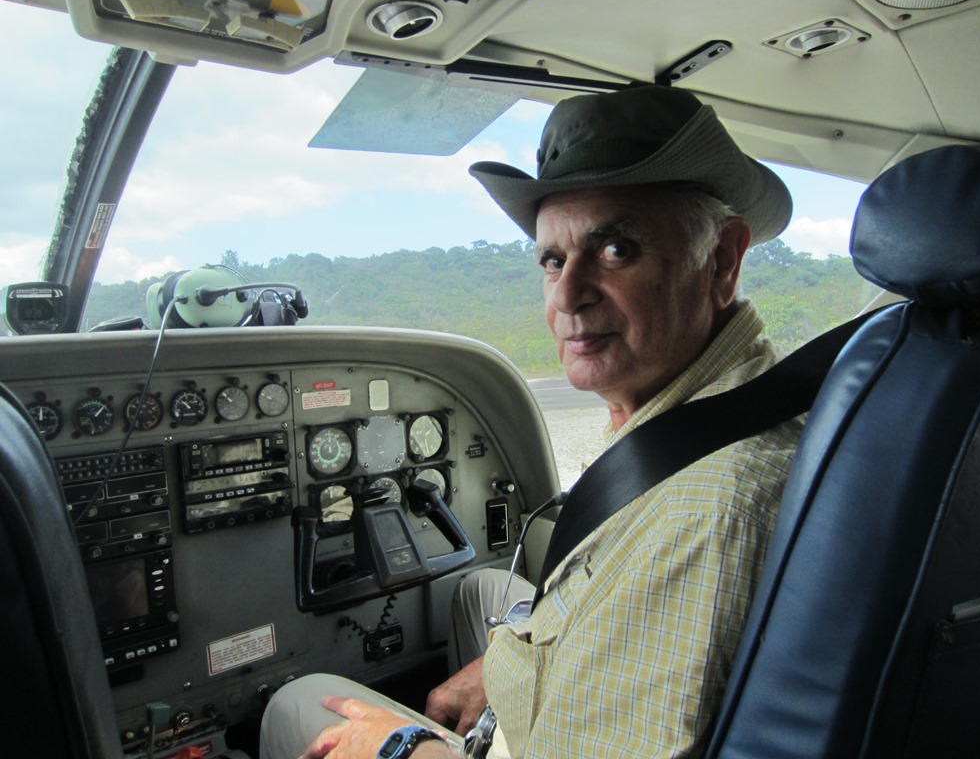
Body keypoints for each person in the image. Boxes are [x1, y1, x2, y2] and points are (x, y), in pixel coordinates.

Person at [260, 84, 800, 759]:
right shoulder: (731, 402)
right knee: (476, 592)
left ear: (721, 258)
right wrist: (502, 666)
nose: (567, 295)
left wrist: (395, 747)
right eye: (553, 259)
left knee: (299, 702)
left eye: (615, 250)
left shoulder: (709, 509)